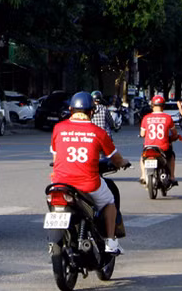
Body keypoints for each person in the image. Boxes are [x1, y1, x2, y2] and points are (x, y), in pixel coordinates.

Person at [51, 92, 129, 255]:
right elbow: (115, 158)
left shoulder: (58, 128)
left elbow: (56, 156)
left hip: (59, 184)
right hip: (88, 184)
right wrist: (122, 163)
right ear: (92, 111)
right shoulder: (98, 132)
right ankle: (110, 242)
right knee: (109, 202)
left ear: (71, 109)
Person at [140, 95, 181, 186]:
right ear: (163, 106)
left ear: (152, 106)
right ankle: (172, 177)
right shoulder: (167, 118)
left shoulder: (146, 118)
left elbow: (142, 134)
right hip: (163, 147)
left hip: (148, 147)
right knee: (171, 156)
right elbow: (174, 134)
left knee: (142, 158)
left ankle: (143, 176)